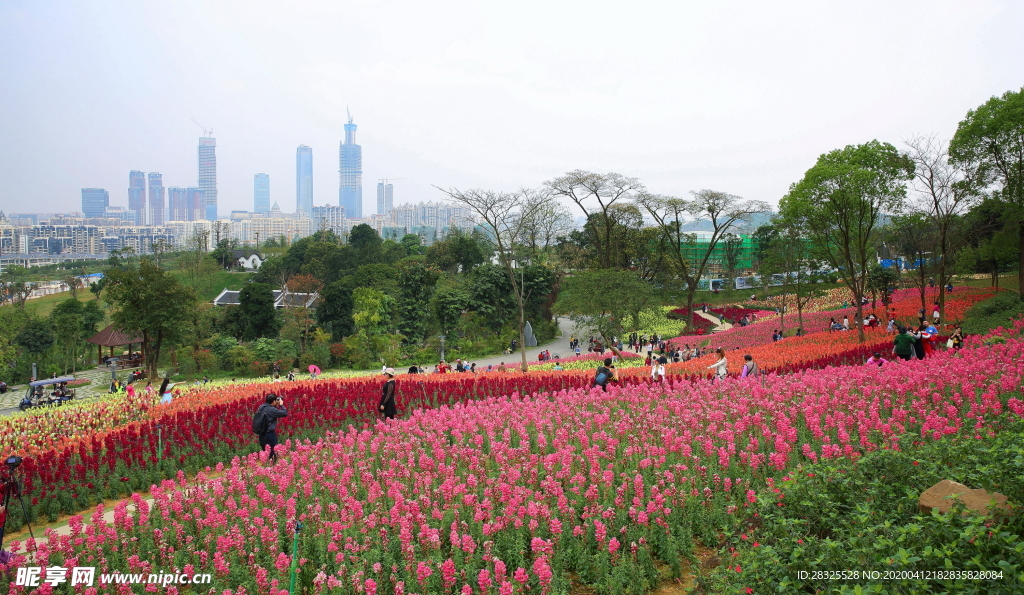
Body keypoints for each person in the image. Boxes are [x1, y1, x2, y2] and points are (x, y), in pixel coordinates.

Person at [254, 393, 288, 464]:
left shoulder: (261, 407)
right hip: (269, 435)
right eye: (276, 400)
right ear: (273, 401)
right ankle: (273, 469)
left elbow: (269, 413)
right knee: (273, 454)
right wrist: (281, 404)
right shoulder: (272, 410)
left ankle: (268, 469)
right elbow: (284, 413)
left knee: (266, 454)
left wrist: (275, 405)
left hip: (262, 435)